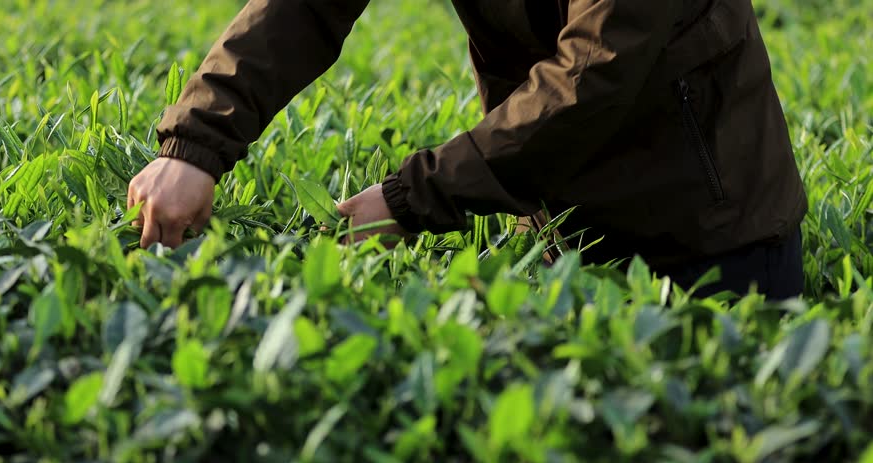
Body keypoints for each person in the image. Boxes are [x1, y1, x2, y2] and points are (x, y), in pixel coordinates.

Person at [127, 0, 807, 300]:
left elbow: (595, 72)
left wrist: (409, 200)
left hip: (709, 235)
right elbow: (307, 6)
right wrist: (196, 143)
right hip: (555, 227)